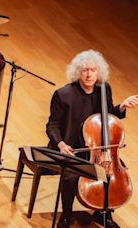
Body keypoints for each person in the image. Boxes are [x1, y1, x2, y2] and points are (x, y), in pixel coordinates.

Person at [45, 50, 138, 228]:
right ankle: (65, 215)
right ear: (77, 72)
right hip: (72, 149)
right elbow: (52, 125)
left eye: (93, 70)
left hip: (98, 149)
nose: (89, 74)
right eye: (85, 70)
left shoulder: (104, 89)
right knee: (71, 177)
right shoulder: (63, 95)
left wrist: (122, 106)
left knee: (110, 174)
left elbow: (107, 114)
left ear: (99, 72)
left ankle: (103, 214)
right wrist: (61, 144)